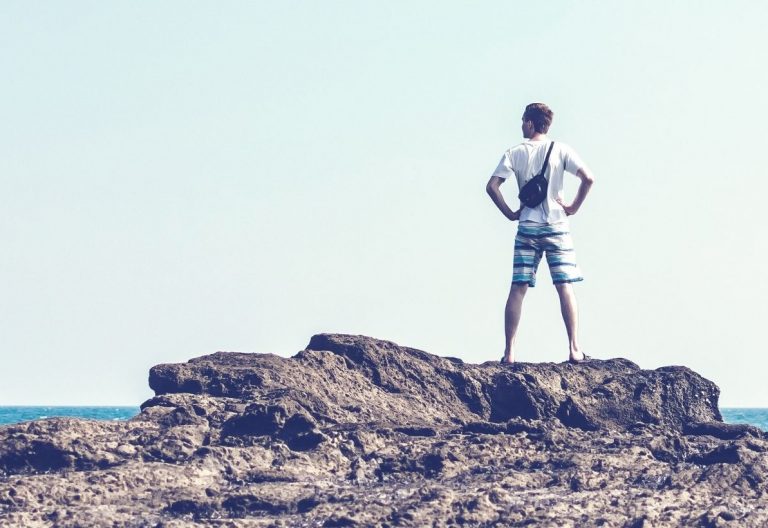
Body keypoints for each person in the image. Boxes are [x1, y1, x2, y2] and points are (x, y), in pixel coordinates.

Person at [486, 103, 595, 364]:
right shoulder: (561, 150)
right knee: (564, 286)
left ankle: (509, 353)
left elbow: (492, 187)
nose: (521, 125)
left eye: (523, 121)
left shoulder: (515, 153)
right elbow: (588, 178)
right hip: (557, 226)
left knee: (518, 288)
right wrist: (573, 207)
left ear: (531, 123)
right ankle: (574, 349)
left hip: (527, 227)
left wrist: (511, 213)